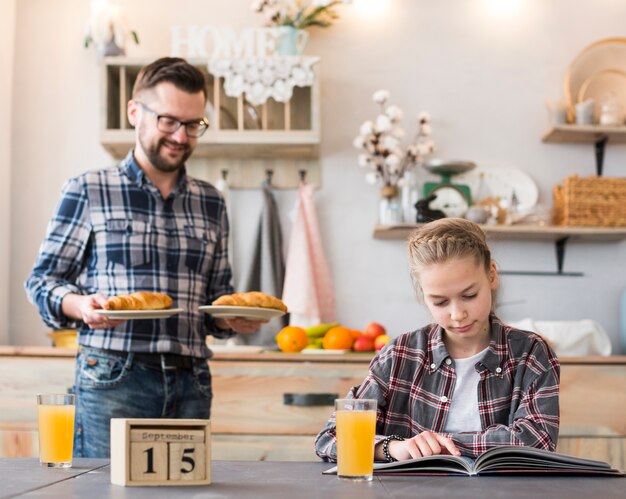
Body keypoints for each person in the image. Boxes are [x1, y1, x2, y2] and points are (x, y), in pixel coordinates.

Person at [25, 57, 263, 458]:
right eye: (169, 121)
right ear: (135, 112)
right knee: (105, 491)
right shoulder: (88, 189)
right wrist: (81, 304)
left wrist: (231, 317)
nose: (181, 137)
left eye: (193, 125)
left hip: (192, 381)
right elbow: (43, 281)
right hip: (114, 377)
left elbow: (218, 296)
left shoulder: (211, 202)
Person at [315, 218, 560, 462]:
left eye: (469, 295)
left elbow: (538, 441)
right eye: (440, 302)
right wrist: (392, 448)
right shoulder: (399, 355)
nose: (457, 314)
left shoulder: (531, 353)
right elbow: (331, 438)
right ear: (423, 295)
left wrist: (441, 444)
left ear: (492, 275)